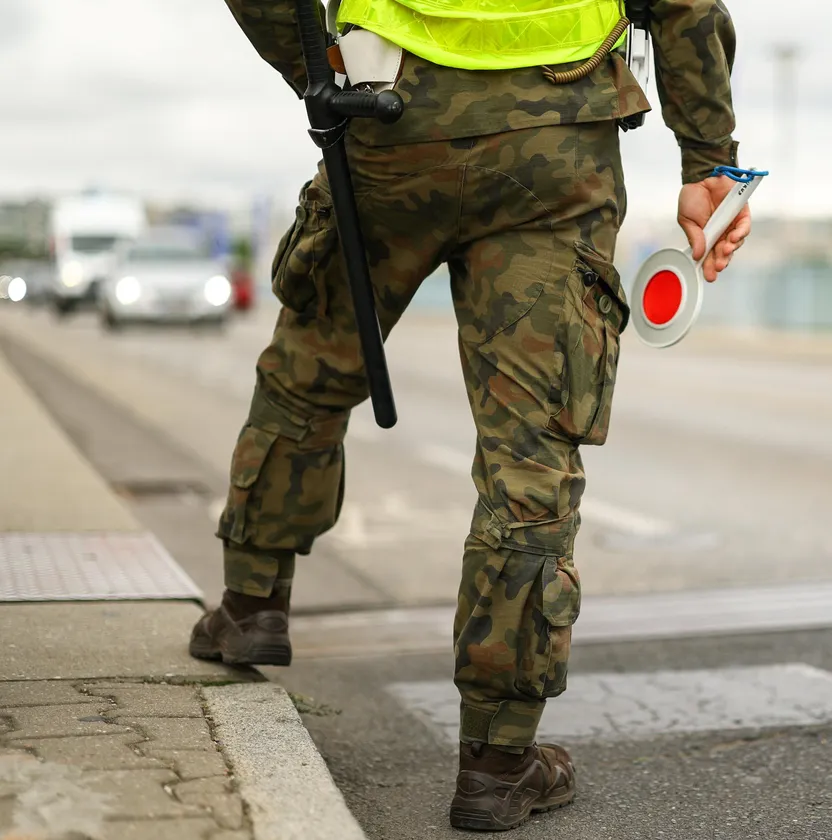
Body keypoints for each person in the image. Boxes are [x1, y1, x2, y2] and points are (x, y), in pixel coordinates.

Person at [189, 0, 749, 830]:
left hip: (391, 120)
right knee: (531, 453)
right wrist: (710, 158)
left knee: (312, 367)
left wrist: (313, 65)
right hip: (557, 145)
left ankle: (251, 607)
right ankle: (496, 759)